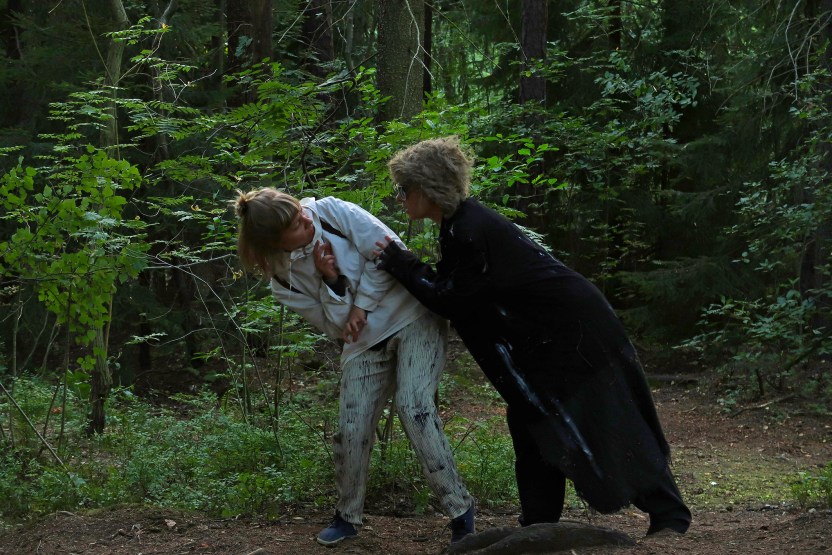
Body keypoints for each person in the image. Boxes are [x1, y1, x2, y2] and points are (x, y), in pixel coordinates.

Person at [373, 137, 692, 536]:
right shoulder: (460, 225)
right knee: (531, 418)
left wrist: (401, 263)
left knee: (603, 413)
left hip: (570, 330)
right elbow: (458, 289)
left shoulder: (469, 229)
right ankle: (539, 522)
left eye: (405, 188)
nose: (400, 197)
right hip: (551, 332)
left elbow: (452, 299)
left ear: (428, 188)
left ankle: (670, 516)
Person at [233, 188, 475, 546]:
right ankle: (347, 516)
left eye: (299, 212)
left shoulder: (332, 212)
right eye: (295, 225)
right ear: (275, 242)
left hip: (413, 314)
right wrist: (331, 281)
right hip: (363, 342)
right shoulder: (283, 281)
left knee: (414, 407)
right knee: (351, 428)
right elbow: (337, 327)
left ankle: (460, 512)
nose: (305, 220)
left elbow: (389, 253)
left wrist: (361, 304)